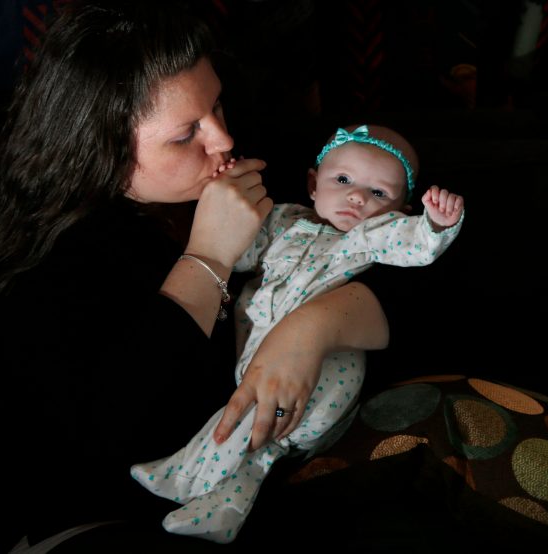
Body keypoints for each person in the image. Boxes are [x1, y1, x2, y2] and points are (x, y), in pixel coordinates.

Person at [0, 1, 390, 552]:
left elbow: (392, 245)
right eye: (186, 132)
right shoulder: (45, 261)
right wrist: (208, 256)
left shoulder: (239, 168)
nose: (223, 141)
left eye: (217, 107)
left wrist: (310, 330)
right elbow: (111, 437)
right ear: (104, 147)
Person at [130, 123, 465, 543]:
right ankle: (222, 509)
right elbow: (239, 252)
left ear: (400, 208)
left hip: (326, 369)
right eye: (342, 180)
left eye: (379, 194)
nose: (357, 196)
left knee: (252, 411)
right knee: (259, 443)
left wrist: (437, 223)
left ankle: (185, 475)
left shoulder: (369, 238)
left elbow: (416, 246)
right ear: (313, 183)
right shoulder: (284, 220)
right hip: (263, 354)